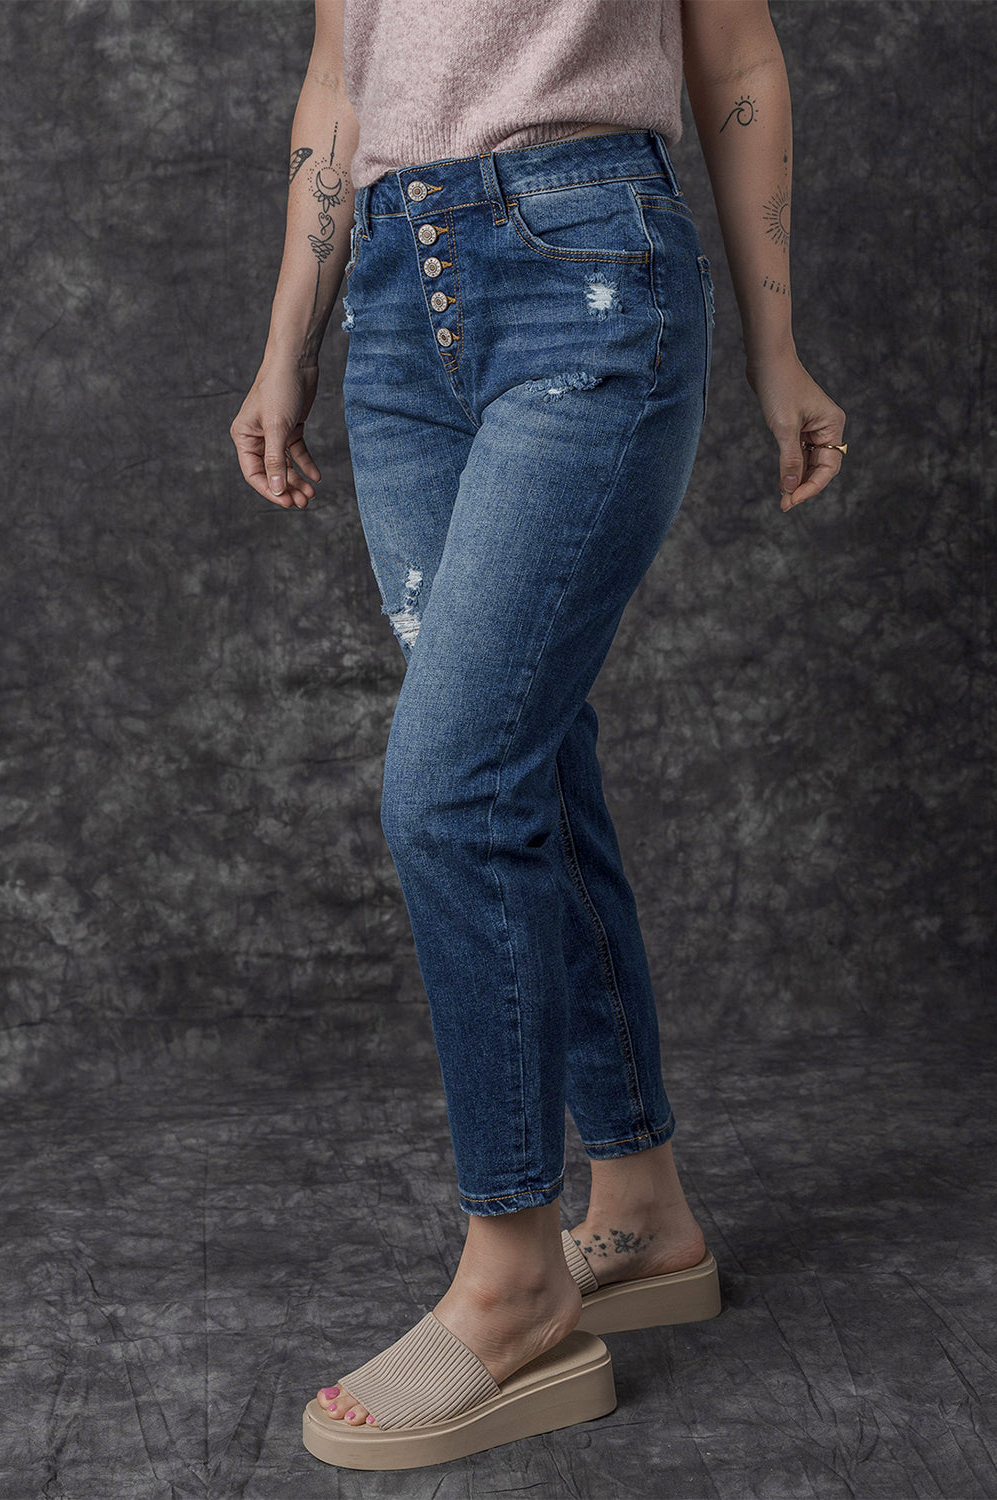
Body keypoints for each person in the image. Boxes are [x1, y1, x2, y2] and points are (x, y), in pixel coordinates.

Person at [230, 0, 846, 1471]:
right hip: (395, 304)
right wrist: (286, 341)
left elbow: (735, 56)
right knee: (525, 764)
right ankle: (639, 1212)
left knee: (450, 791)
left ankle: (514, 1284)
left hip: (586, 265)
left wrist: (776, 348)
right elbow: (338, 78)